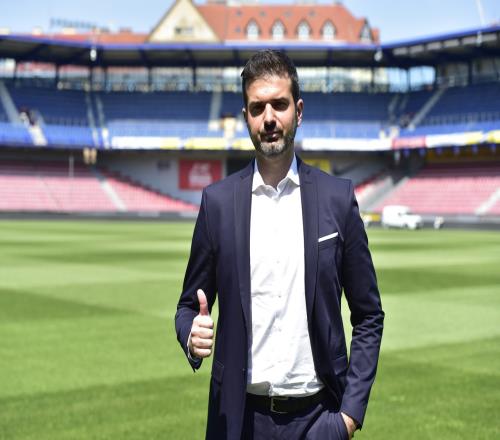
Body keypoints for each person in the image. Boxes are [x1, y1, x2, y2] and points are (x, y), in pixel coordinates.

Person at [175, 50, 384, 440]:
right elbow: (188, 305)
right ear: (246, 118)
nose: (269, 117)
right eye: (257, 108)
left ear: (298, 112)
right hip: (238, 421)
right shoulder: (217, 203)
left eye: (279, 104)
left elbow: (369, 314)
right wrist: (190, 333)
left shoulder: (337, 199)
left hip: (319, 420)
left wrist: (348, 417)